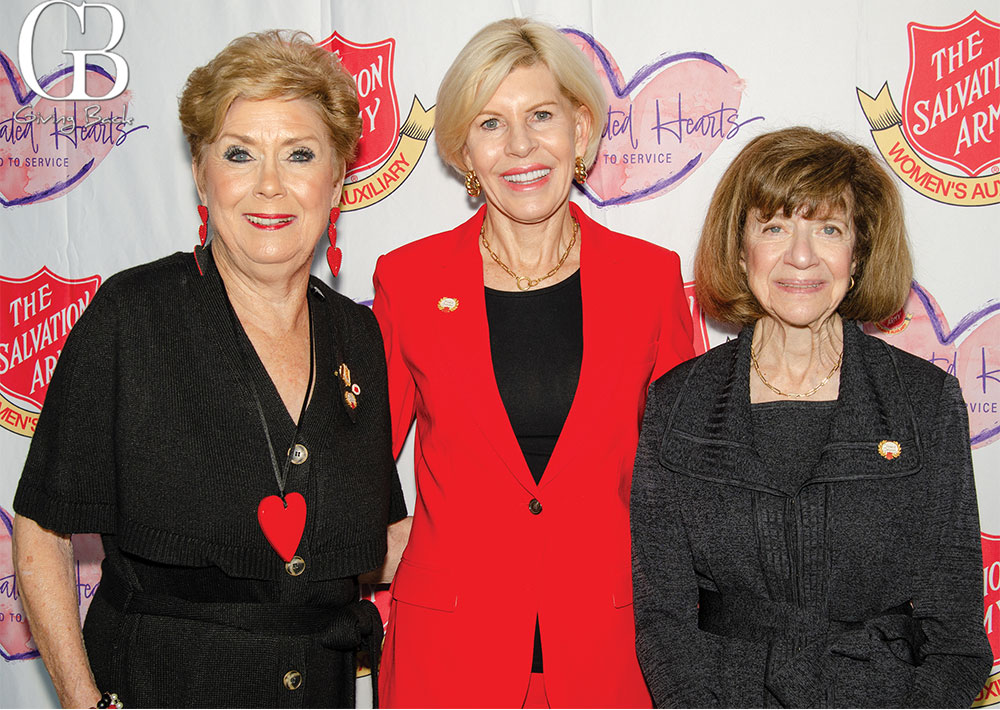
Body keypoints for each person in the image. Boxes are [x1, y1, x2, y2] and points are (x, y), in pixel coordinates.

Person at [12, 30, 407, 708]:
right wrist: (80, 702)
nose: (270, 186)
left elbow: (382, 541)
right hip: (162, 687)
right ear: (200, 171)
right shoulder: (132, 316)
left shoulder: (358, 335)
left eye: (300, 154)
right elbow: (42, 528)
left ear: (338, 176)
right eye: (239, 153)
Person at [372, 17, 694, 709]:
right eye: (490, 123)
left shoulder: (650, 280)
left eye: (541, 115)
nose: (520, 145)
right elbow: (360, 456)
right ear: (463, 150)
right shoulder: (409, 280)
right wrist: (390, 533)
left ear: (580, 131)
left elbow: (683, 476)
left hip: (611, 650)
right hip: (449, 652)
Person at [631, 127, 993, 708]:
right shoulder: (679, 405)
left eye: (828, 229)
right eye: (774, 227)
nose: (801, 256)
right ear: (740, 246)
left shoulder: (924, 403)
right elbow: (663, 621)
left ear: (859, 252)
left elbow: (955, 640)